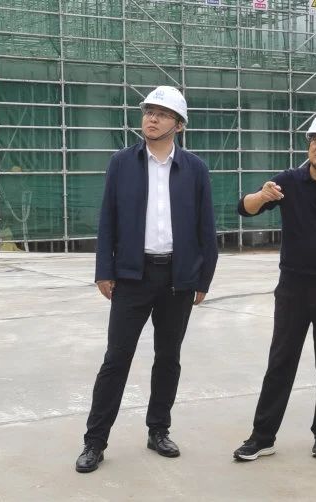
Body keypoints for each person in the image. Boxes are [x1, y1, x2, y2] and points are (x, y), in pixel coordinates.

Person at [75, 86, 219, 473]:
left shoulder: (195, 169)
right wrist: (104, 269)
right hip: (132, 276)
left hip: (178, 277)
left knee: (168, 358)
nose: (151, 118)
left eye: (161, 113)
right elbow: (108, 219)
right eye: (148, 111)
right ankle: (94, 441)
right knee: (116, 359)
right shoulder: (122, 163)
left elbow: (206, 227)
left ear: (179, 125)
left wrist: (203, 277)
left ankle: (159, 430)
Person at [232, 110, 316, 461]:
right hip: (293, 286)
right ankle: (262, 436)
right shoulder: (288, 182)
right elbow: (244, 208)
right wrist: (262, 196)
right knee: (281, 361)